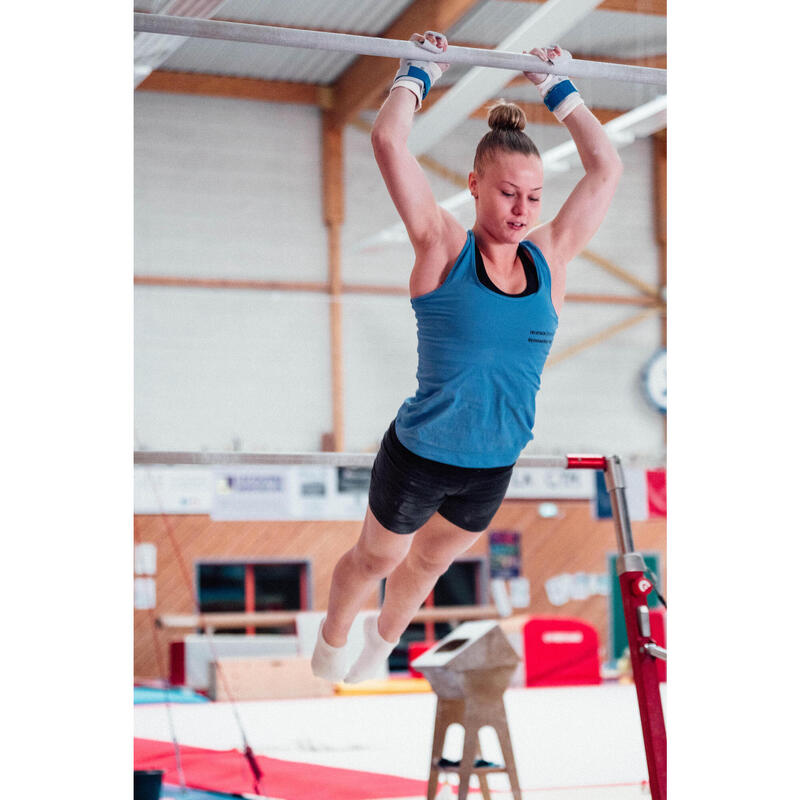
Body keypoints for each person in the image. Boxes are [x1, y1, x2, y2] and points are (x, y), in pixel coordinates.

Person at [312, 32, 622, 683]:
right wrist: (417, 73)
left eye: (534, 198)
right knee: (377, 561)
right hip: (421, 452)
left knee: (428, 565)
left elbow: (606, 169)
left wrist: (560, 91)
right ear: (476, 185)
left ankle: (382, 640)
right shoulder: (442, 249)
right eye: (509, 193)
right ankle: (334, 634)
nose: (522, 210)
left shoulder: (550, 259)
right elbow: (388, 142)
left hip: (492, 463)